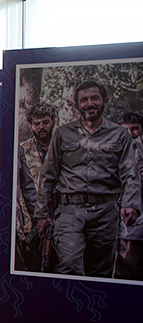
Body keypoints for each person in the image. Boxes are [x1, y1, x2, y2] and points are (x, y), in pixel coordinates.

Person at [34, 80, 140, 277]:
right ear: (76, 105)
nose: (89, 103)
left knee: (100, 272)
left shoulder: (120, 135)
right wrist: (41, 214)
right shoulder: (63, 134)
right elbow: (48, 175)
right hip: (70, 211)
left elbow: (130, 174)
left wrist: (130, 204)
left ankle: (96, 307)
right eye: (84, 100)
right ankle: (67, 307)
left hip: (106, 213)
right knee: (69, 265)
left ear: (104, 101)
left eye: (94, 98)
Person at [16, 103, 57, 271]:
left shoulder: (62, 147)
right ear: (30, 125)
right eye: (37, 123)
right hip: (33, 220)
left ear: (53, 122)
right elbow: (25, 189)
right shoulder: (22, 150)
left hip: (62, 217)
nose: (42, 127)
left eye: (46, 122)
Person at [116, 111, 143, 279]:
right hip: (117, 216)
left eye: (135, 129)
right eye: (126, 129)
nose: (131, 133)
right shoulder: (113, 150)